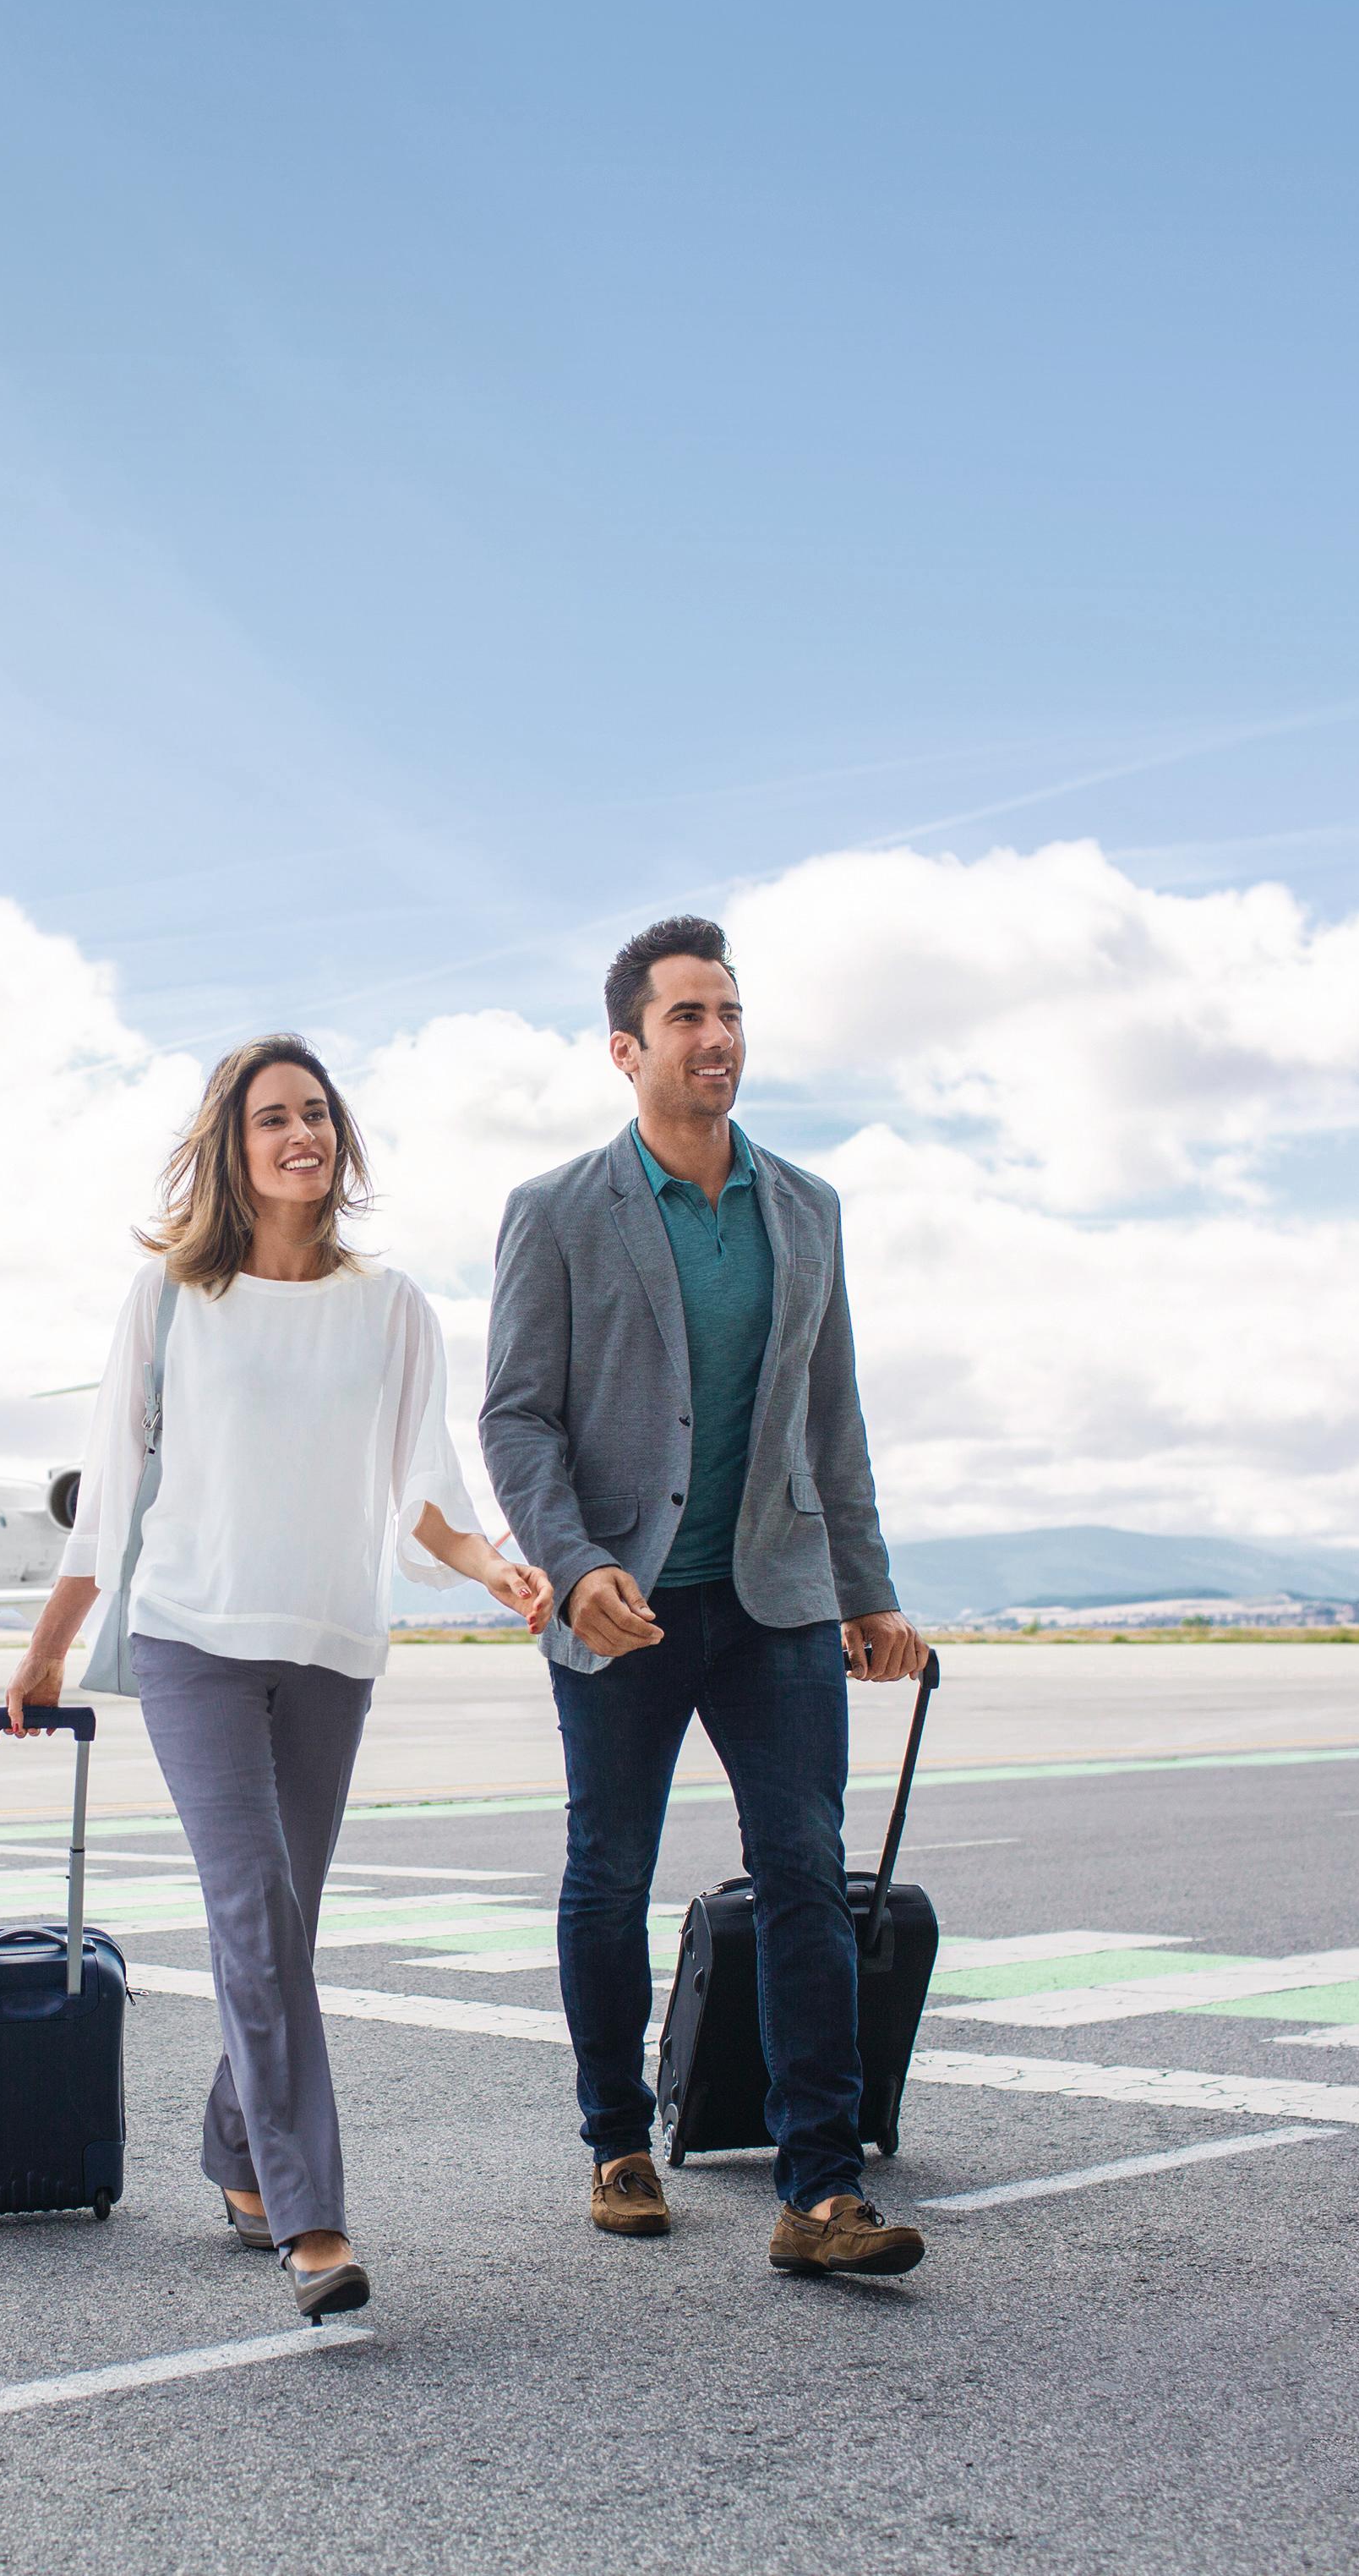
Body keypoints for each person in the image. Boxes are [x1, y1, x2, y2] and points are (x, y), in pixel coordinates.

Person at [8, 1036, 554, 2322]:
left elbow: (429, 1497)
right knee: (252, 1906)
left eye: (317, 1114)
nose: (300, 1133)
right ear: (232, 1146)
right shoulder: (169, 1299)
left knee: (284, 1924)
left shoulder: (392, 1307)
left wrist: (496, 1566)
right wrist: (43, 1652)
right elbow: (113, 1493)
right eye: (272, 1118)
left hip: (329, 1645)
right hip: (191, 1633)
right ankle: (312, 2217)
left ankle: (239, 2149)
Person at [481, 914, 934, 2279]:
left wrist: (871, 1589)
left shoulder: (809, 1206)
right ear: (627, 1048)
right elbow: (516, 1419)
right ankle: (619, 2137)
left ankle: (821, 2187)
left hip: (778, 1597)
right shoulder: (557, 1210)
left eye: (730, 1010)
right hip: (620, 1604)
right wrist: (573, 1565)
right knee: (606, 1876)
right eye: (687, 1015)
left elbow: (831, 1415)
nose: (717, 1035)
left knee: (806, 1874)